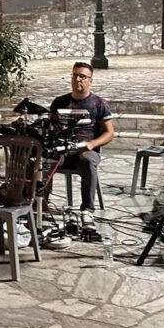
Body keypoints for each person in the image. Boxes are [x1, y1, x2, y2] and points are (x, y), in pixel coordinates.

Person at [49, 62, 115, 232]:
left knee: (87, 161)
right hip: (62, 149)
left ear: (90, 81)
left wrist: (92, 144)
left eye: (82, 76)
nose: (77, 79)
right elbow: (49, 126)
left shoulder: (99, 103)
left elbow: (109, 133)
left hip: (85, 149)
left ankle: (87, 210)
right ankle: (40, 204)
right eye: (74, 75)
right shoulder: (60, 102)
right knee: (41, 160)